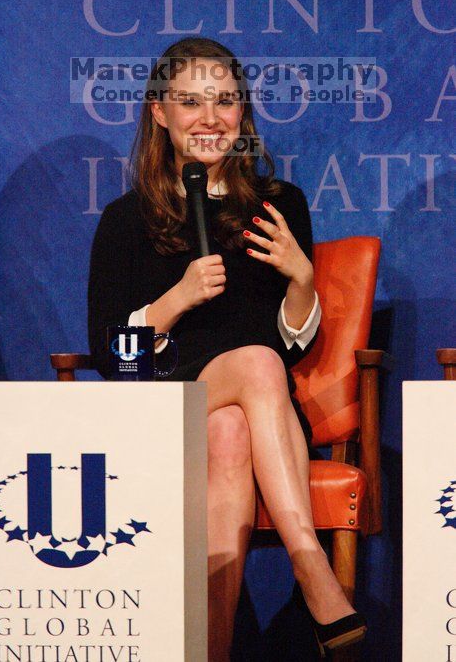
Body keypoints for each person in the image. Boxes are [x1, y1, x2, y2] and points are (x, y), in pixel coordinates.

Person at [88, 37, 366, 661]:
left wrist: (302, 279)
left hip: (258, 413)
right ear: (160, 113)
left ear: (243, 114)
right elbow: (112, 357)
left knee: (236, 429)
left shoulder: (279, 204)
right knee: (255, 366)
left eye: (225, 102)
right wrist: (175, 301)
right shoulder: (126, 219)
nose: (210, 118)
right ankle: (311, 566)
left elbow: (294, 347)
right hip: (166, 410)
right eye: (191, 102)